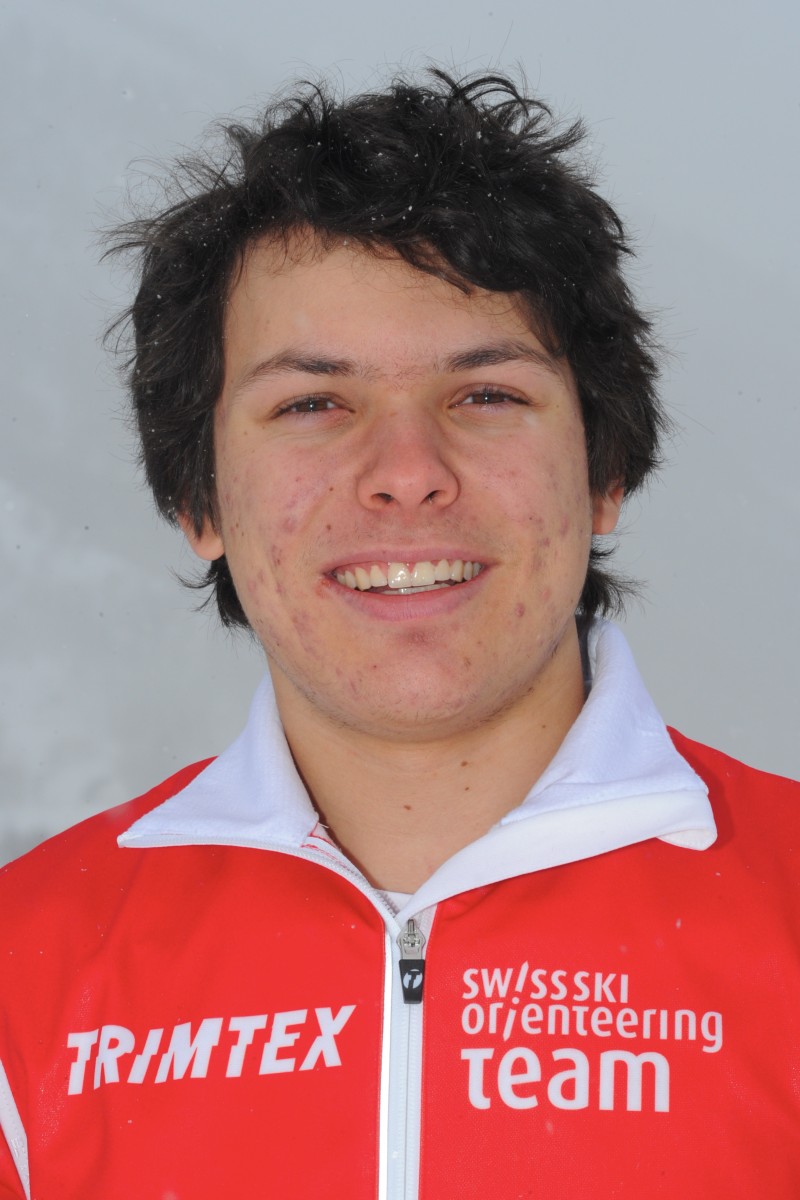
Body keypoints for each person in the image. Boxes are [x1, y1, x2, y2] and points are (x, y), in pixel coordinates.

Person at [0, 70, 797, 1199]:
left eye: (486, 395)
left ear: (604, 471)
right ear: (198, 501)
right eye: (312, 404)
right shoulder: (21, 980)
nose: (408, 473)